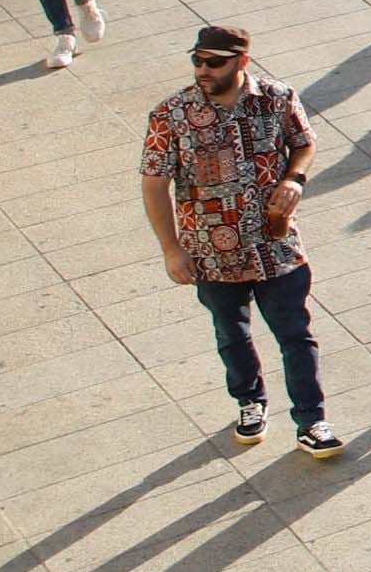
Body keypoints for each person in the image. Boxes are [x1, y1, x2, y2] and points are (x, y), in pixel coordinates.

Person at [141, 24, 339, 455]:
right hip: (211, 253)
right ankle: (250, 401)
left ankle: (312, 421)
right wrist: (171, 249)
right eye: (197, 60)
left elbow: (304, 143)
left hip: (276, 244)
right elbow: (154, 184)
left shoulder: (277, 97)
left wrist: (295, 179)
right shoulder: (170, 115)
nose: (203, 70)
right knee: (232, 334)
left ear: (242, 61)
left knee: (296, 334)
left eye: (214, 62)